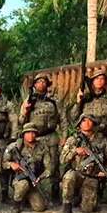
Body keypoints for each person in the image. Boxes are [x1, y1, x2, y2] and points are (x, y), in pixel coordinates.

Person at [19, 73, 68, 203]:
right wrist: (25, 112)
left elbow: (63, 118)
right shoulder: (29, 100)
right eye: (39, 82)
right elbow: (21, 121)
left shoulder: (55, 99)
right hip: (34, 138)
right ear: (34, 85)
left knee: (54, 164)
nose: (41, 84)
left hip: (51, 136)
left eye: (44, 81)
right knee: (32, 165)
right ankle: (29, 191)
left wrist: (64, 136)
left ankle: (55, 192)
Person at [59, 114, 107, 213]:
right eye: (84, 121)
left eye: (90, 121)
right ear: (79, 124)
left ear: (94, 123)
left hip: (92, 176)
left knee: (88, 209)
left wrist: (105, 171)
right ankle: (66, 205)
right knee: (69, 178)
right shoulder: (73, 140)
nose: (87, 123)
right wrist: (75, 151)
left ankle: (80, 196)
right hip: (77, 173)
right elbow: (62, 159)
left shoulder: (102, 140)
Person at [4, 123, 54, 213]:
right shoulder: (15, 146)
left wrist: (40, 177)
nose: (31, 135)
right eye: (28, 133)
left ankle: (26, 197)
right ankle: (16, 203)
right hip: (19, 180)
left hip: (33, 179)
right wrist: (11, 164)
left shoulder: (42, 147)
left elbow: (49, 167)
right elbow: (2, 163)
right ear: (23, 134)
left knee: (40, 207)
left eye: (33, 133)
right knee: (23, 184)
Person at [71, 70, 107, 140]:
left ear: (105, 82)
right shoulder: (86, 97)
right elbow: (74, 117)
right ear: (93, 81)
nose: (99, 81)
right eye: (97, 79)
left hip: (104, 136)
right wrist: (78, 102)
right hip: (87, 136)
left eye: (102, 79)